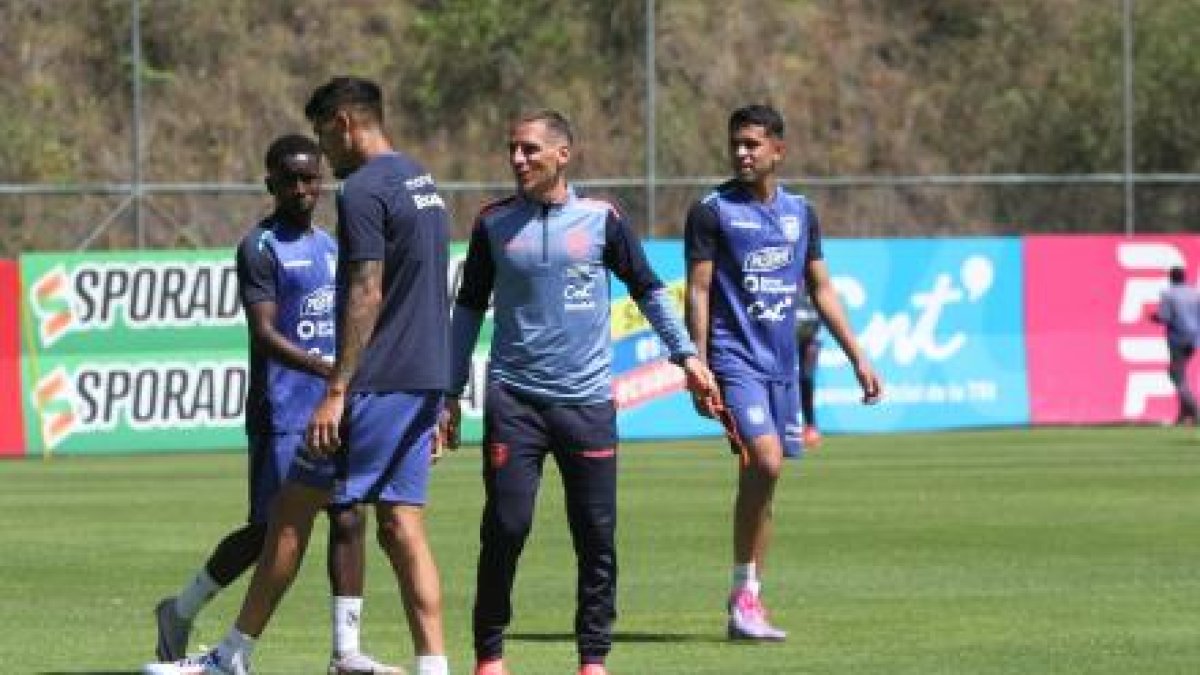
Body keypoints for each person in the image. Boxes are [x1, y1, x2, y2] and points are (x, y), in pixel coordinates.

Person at [145, 77, 452, 675]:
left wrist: (337, 388)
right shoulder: (424, 182)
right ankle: (431, 666)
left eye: (322, 139)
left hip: (373, 386)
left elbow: (367, 291)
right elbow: (432, 290)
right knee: (400, 526)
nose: (322, 165)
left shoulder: (363, 191)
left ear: (342, 123)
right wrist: (443, 392)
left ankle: (231, 657)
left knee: (291, 518)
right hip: (418, 381)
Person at [439, 109, 718, 675]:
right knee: (507, 527)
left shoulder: (603, 219)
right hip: (514, 401)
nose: (518, 159)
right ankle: (489, 654)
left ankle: (593, 659)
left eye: (530, 150)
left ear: (563, 154)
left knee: (595, 534)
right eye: (512, 149)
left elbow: (648, 290)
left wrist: (687, 356)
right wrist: (448, 390)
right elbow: (468, 308)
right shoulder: (493, 223)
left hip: (588, 403)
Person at [683, 104, 882, 641]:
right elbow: (699, 291)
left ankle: (747, 600)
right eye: (736, 144)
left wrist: (857, 355)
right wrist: (696, 362)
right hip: (733, 358)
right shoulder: (712, 211)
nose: (742, 153)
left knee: (765, 482)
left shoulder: (801, 212)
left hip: (782, 365)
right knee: (766, 462)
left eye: (752, 144)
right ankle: (743, 596)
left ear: (778, 150)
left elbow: (821, 289)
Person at [1151, 265, 1200, 425]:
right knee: (1181, 373)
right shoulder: (1194, 293)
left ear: (1171, 277)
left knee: (1176, 374)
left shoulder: (1168, 294)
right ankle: (1184, 415)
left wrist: (1153, 317)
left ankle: (1194, 409)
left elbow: (1164, 316)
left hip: (1177, 338)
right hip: (1194, 338)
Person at [794, 291, 823, 448]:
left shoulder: (816, 294)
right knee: (783, 379)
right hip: (785, 340)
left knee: (806, 378)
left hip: (810, 338)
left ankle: (811, 427)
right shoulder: (783, 288)